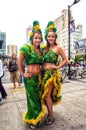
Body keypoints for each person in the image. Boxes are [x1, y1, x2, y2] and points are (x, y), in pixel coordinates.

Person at [17, 21, 45, 130]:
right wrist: (23, 74)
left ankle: (36, 117)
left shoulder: (40, 50)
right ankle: (33, 119)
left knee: (37, 99)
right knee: (32, 100)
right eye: (36, 38)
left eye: (39, 38)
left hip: (38, 78)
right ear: (32, 38)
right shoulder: (27, 48)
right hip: (30, 78)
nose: (38, 40)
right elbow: (19, 62)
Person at [41, 21, 67, 125]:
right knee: (46, 96)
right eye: (49, 36)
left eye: (53, 36)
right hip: (43, 74)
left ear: (55, 37)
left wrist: (57, 67)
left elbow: (65, 59)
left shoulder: (58, 48)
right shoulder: (44, 48)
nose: (51, 38)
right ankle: (49, 113)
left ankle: (51, 116)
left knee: (47, 96)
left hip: (51, 75)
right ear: (46, 38)